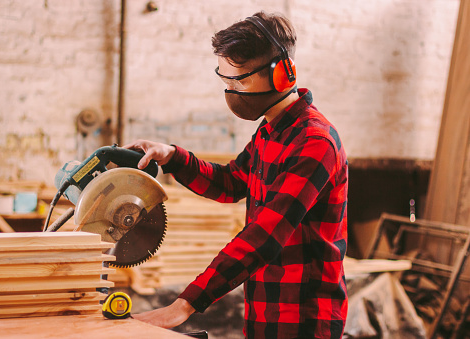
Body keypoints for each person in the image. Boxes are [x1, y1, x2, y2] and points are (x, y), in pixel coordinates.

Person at [127, 11, 348, 339]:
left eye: (240, 80)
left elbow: (265, 236)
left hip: (304, 315)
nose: (230, 91)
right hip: (263, 306)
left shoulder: (315, 142)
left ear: (283, 74)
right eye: (225, 80)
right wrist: (172, 157)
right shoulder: (270, 131)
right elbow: (230, 183)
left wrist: (184, 305)